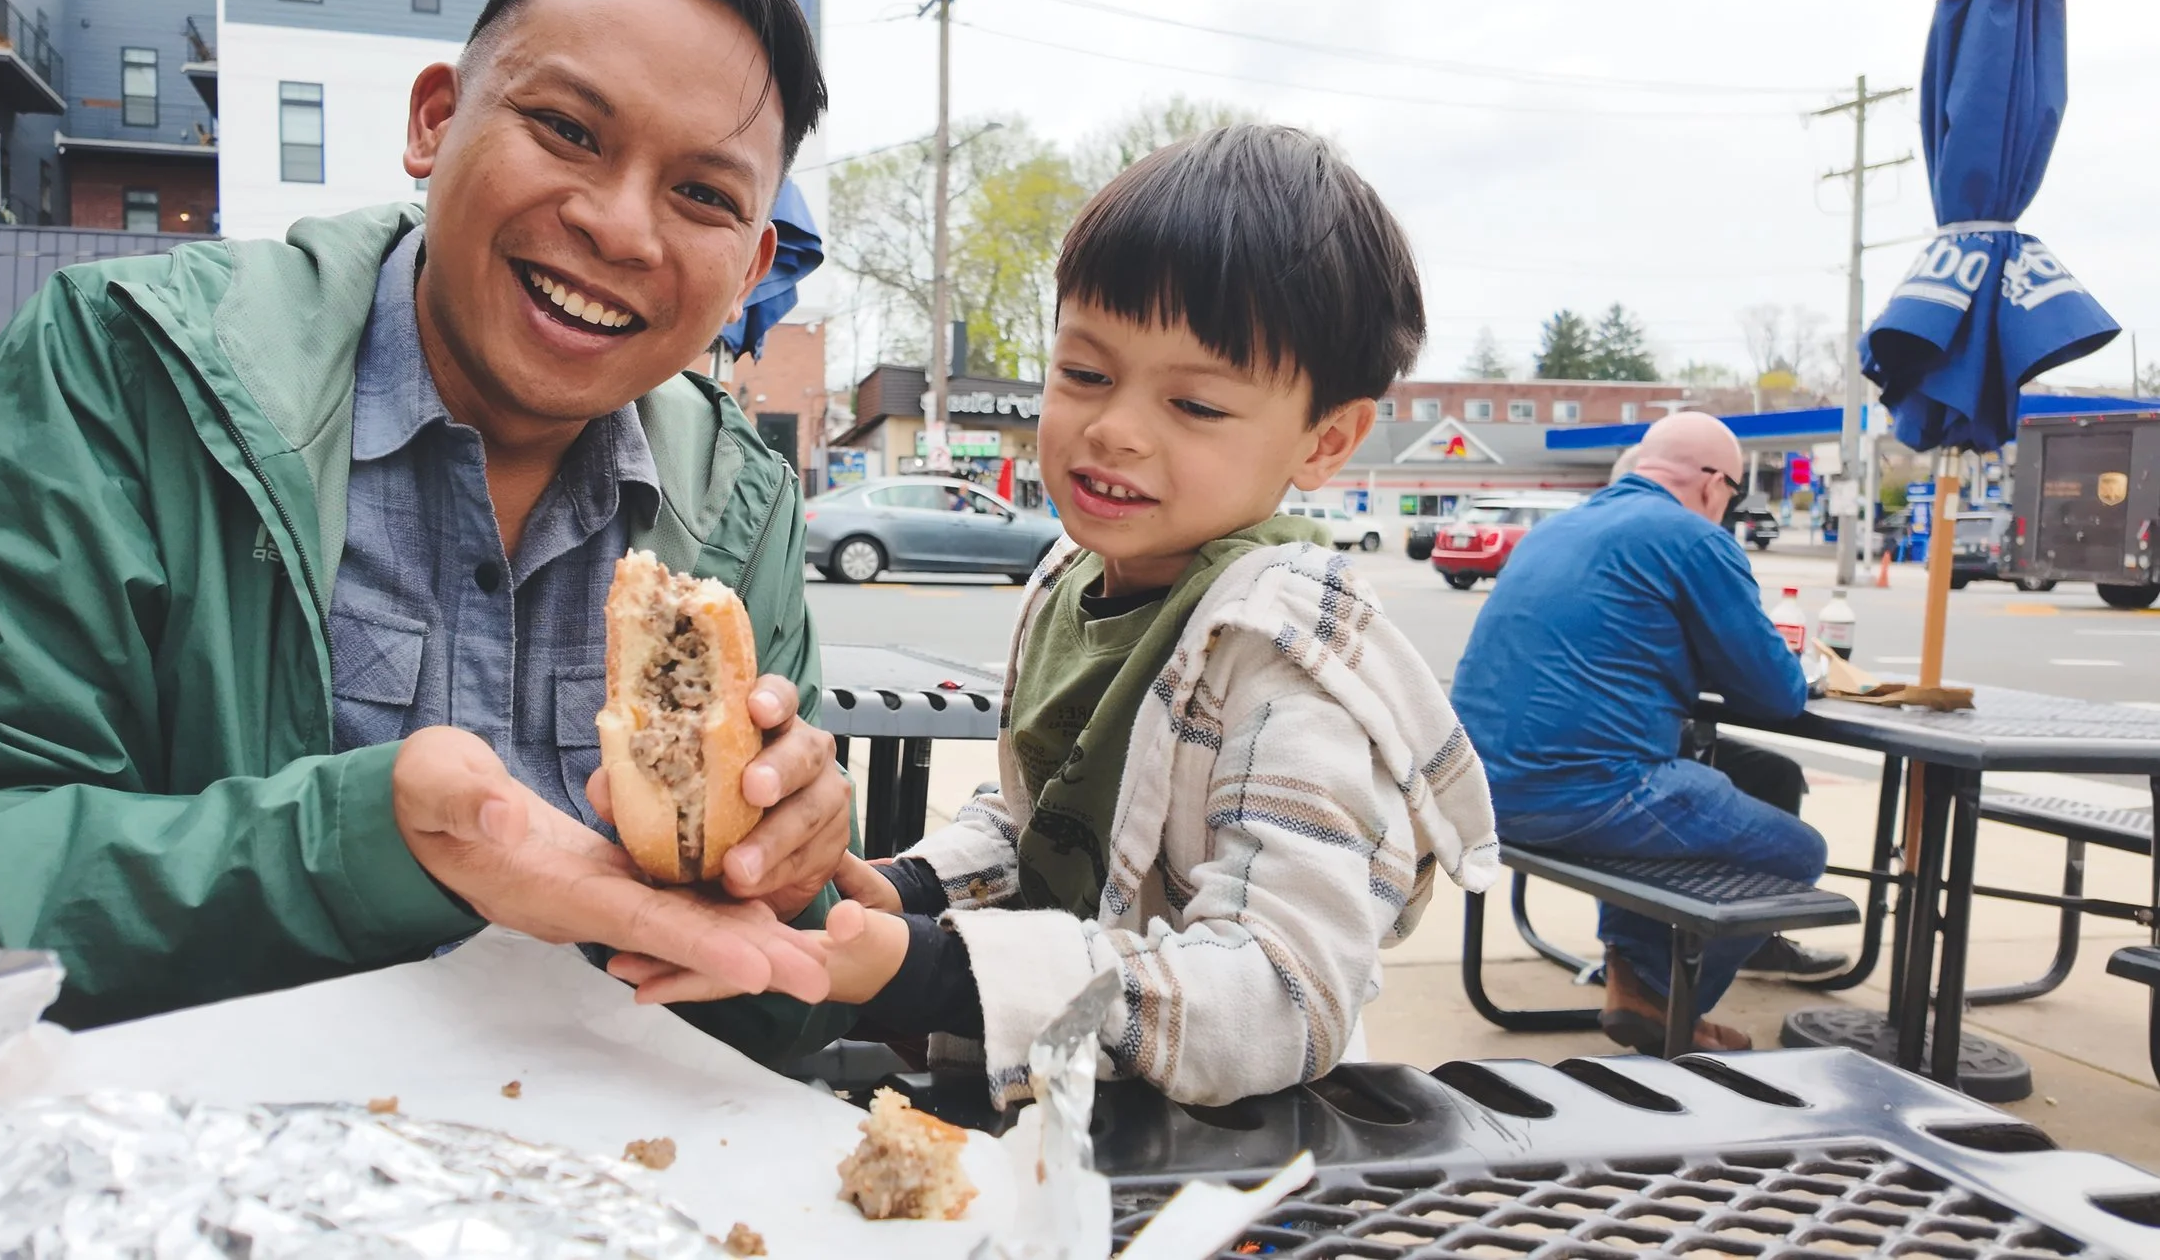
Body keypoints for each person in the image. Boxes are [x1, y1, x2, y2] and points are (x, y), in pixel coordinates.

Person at [0, 0, 857, 1054]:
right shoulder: (120, 373)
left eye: (703, 194)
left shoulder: (738, 501)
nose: (618, 224)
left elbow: (771, 1008)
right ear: (435, 121)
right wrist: (361, 844)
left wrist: (789, 877)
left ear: (748, 262)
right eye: (565, 128)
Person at [610, 126, 1502, 1106]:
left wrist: (932, 973)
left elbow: (1281, 993)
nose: (1115, 427)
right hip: (1065, 1129)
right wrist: (908, 891)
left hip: (1222, 1169)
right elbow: (1050, 824)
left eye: (1195, 405)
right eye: (1084, 375)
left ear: (1326, 440)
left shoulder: (1287, 662)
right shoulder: (1077, 576)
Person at [1448, 412, 1835, 1053]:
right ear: (1714, 484)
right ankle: (1657, 995)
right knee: (1798, 855)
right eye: (1733, 496)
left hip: (1481, 788)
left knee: (1752, 778)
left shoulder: (1558, 529)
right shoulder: (1694, 540)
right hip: (1584, 793)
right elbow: (1775, 693)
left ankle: (1635, 980)